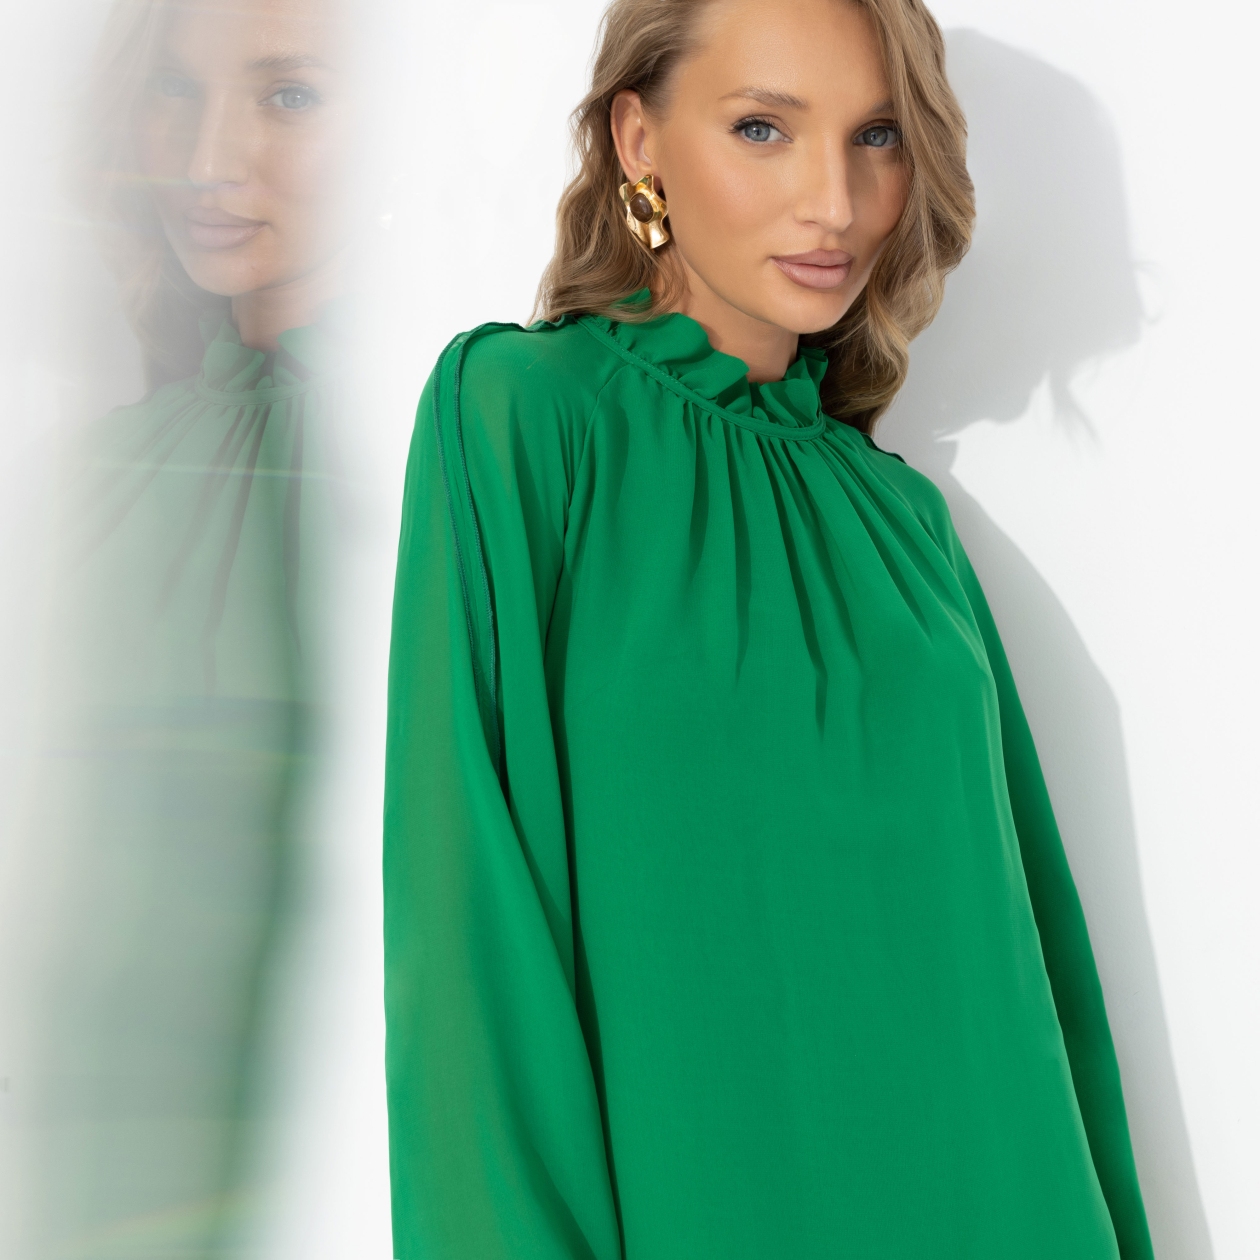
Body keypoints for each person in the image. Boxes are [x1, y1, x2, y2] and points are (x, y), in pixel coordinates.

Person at [383, 0, 1155, 1257]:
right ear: (639, 139)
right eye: (762, 128)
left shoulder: (901, 521)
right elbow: (466, 949)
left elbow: (1032, 973)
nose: (834, 204)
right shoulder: (523, 416)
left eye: (876, 137)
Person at [27, 0, 355, 1252]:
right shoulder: (86, 481)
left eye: (289, 95)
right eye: (175, 89)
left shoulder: (460, 456)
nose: (208, 157)